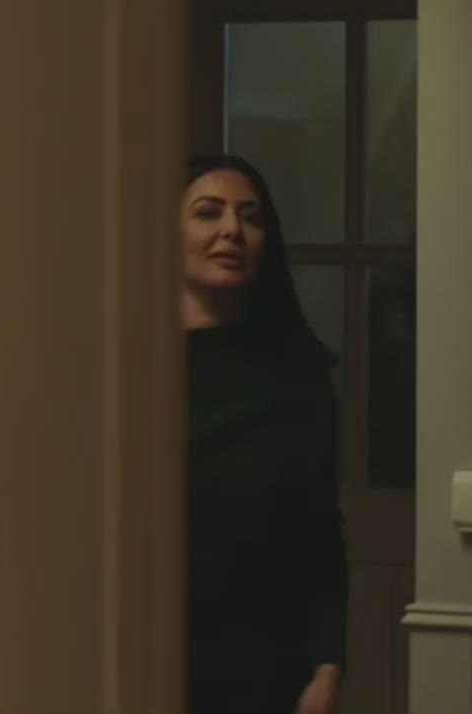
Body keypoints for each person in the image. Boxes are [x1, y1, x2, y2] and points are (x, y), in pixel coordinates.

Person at [182, 154, 347, 714]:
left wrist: (328, 667)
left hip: (267, 670)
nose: (232, 229)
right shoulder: (127, 372)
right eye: (209, 213)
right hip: (147, 654)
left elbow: (321, 538)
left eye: (251, 217)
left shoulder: (299, 376)